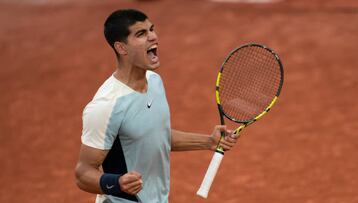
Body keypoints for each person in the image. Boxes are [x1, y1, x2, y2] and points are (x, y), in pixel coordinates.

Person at [75, 9, 239, 203]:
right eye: (141, 34)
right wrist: (117, 182)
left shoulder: (154, 82)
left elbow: (154, 135)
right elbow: (83, 173)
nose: (153, 37)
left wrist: (208, 142)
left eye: (151, 29)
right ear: (121, 48)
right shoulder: (106, 106)